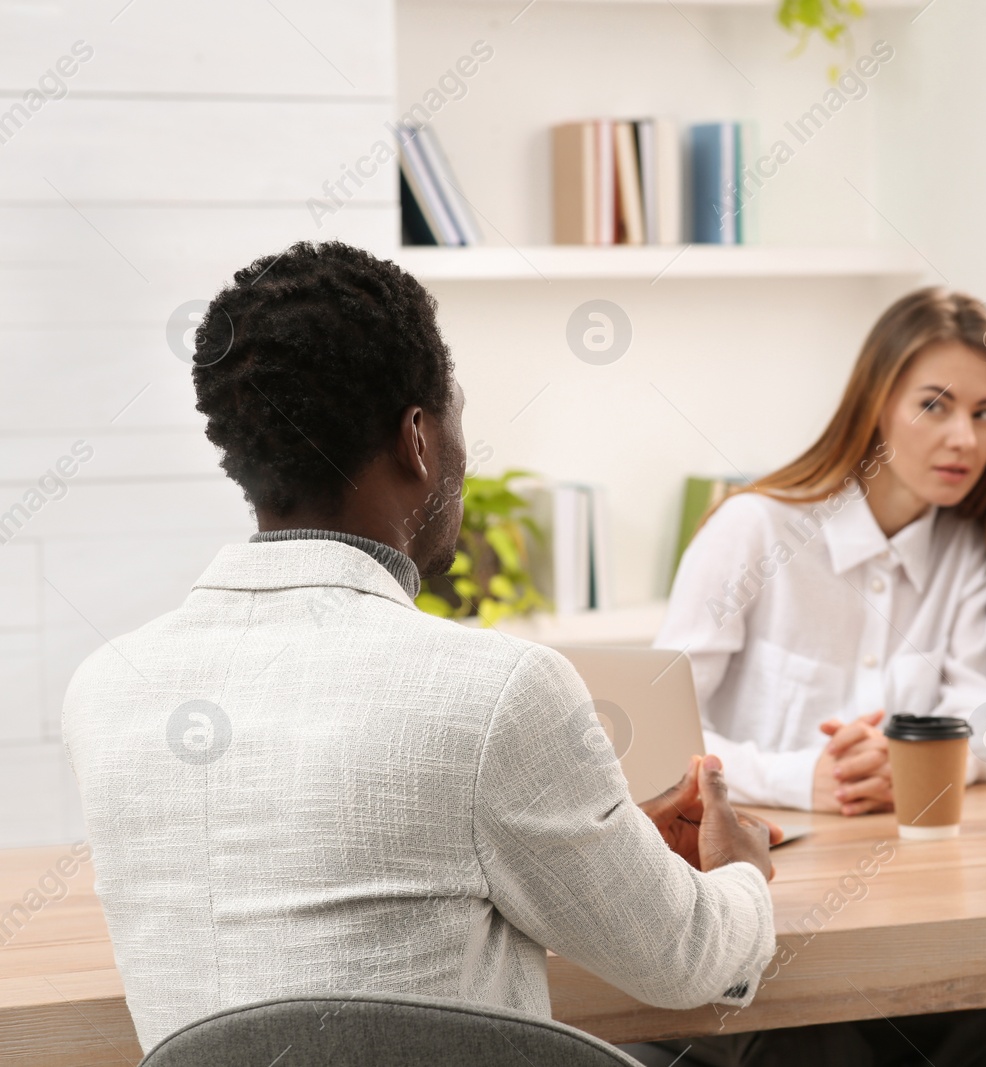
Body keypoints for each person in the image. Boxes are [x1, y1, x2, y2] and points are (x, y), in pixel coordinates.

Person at [60, 241, 777, 1053]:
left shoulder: (106, 690)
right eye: (458, 417)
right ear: (418, 438)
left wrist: (608, 847)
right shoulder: (500, 690)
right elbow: (683, 961)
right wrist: (739, 871)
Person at [638, 288, 986, 1066]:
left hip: (911, 909)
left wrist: (912, 766)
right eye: (935, 404)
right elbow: (657, 746)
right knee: (827, 1041)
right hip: (760, 904)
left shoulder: (967, 552)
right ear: (877, 403)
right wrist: (809, 775)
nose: (964, 436)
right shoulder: (753, 529)